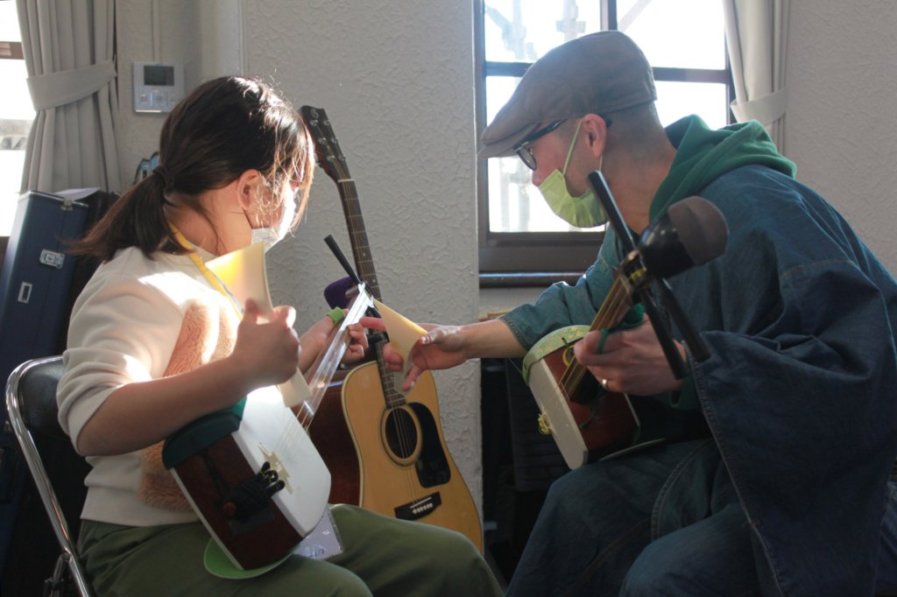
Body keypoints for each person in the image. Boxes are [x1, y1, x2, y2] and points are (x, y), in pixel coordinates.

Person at [366, 31, 897, 595]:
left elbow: (863, 369)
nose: (532, 174)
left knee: (664, 579)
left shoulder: (760, 206)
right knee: (578, 506)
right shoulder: (638, 230)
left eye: (531, 153)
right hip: (738, 465)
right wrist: (461, 340)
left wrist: (694, 364)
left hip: (847, 483)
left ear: (591, 134)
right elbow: (585, 302)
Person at [58, 75, 503, 596]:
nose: (291, 217)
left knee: (452, 561)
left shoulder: (215, 271)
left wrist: (310, 356)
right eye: (294, 193)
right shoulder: (138, 281)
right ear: (250, 189)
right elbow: (93, 422)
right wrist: (243, 370)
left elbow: (226, 419)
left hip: (246, 516)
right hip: (143, 540)